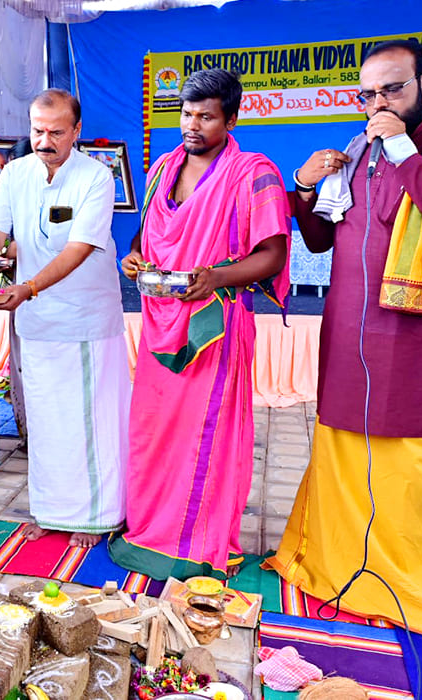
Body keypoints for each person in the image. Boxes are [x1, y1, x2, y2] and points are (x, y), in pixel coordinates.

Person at [267, 39, 422, 634]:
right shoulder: (357, 151)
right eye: (368, 94)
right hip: (349, 333)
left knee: (413, 466)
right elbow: (321, 239)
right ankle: (334, 566)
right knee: (345, 450)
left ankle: (408, 586)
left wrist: (402, 150)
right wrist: (303, 186)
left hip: (417, 338)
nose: (378, 103)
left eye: (392, 89)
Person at [111, 69, 290, 580]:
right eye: (187, 114)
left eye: (206, 117)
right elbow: (147, 239)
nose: (192, 125)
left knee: (203, 436)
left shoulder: (254, 173)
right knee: (154, 431)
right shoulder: (163, 168)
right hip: (161, 321)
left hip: (214, 324)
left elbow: (273, 255)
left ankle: (195, 543)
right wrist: (134, 257)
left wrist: (216, 277)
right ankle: (148, 528)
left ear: (231, 120)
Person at [0, 89, 129, 548]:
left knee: (89, 423)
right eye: (37, 131)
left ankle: (97, 516)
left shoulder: (95, 177)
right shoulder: (15, 173)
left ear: (76, 131)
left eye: (56, 132)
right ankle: (51, 511)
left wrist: (28, 287)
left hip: (85, 319)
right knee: (45, 420)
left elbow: (79, 249)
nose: (44, 141)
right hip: (37, 321)